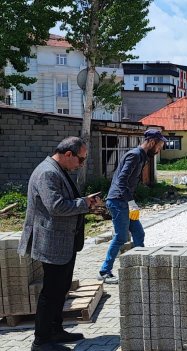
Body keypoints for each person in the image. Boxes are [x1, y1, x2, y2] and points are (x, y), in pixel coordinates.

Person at [18, 137, 102, 351]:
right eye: (81, 159)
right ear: (68, 154)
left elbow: (64, 201)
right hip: (52, 243)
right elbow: (56, 206)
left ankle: (55, 330)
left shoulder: (57, 169)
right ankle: (41, 341)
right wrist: (84, 203)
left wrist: (84, 202)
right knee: (51, 292)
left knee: (61, 288)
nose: (81, 164)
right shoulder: (48, 172)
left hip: (63, 242)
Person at [97, 129, 166, 283]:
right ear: (152, 142)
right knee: (121, 237)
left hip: (125, 202)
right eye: (159, 146)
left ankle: (139, 266)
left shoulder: (142, 157)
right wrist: (131, 202)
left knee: (139, 233)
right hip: (118, 201)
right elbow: (121, 181)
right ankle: (104, 271)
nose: (159, 150)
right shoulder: (134, 155)